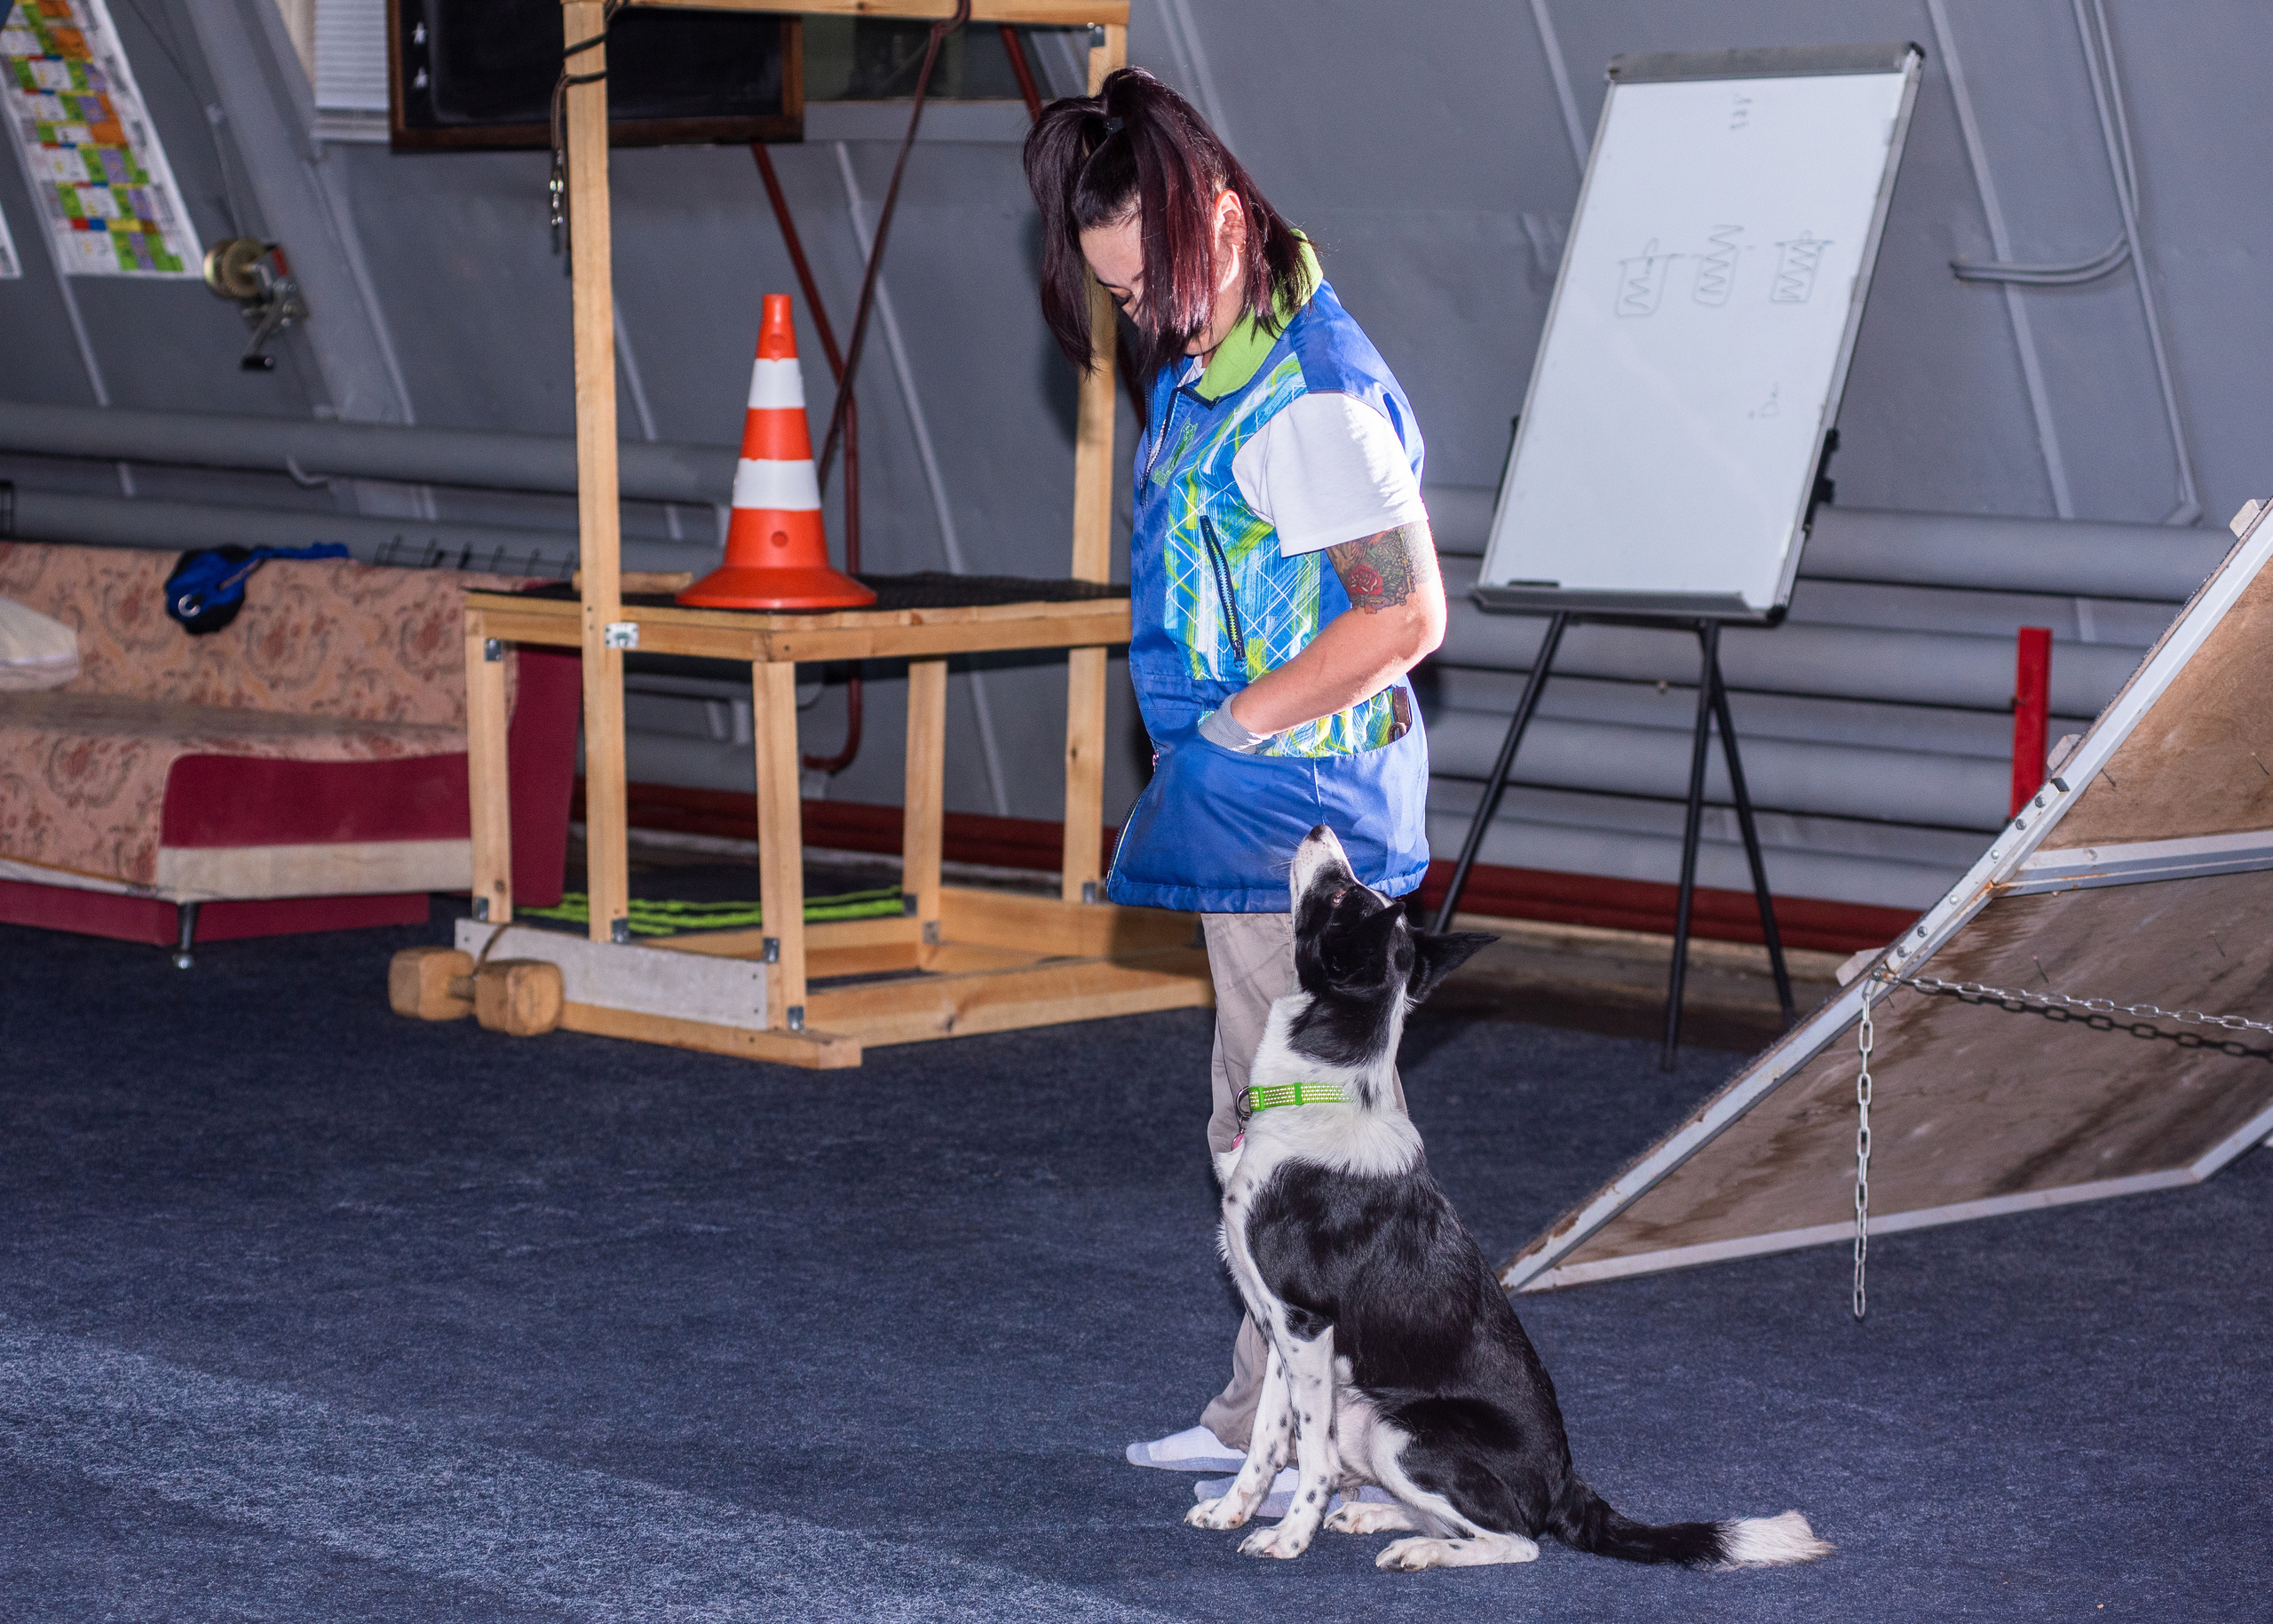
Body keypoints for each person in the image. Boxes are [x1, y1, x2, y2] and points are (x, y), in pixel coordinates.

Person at [1024, 69, 1448, 1476]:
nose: (1147, 315)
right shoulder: (1228, 354)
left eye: (1153, 282)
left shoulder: (1306, 395)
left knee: (1302, 1138)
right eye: (1119, 295)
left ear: (1218, 212)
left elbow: (1405, 617)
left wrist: (1236, 731)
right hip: (1264, 808)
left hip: (1298, 815)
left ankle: (1351, 1424)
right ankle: (1284, 1416)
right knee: (1272, 1126)